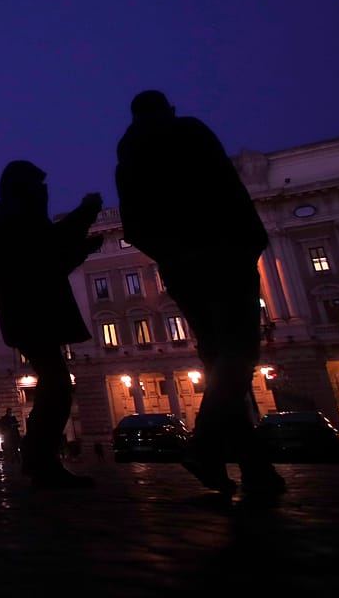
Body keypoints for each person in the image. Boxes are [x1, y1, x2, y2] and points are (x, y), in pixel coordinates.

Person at [115, 90, 285, 497]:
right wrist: (250, 240)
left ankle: (255, 468)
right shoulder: (189, 132)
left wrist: (171, 256)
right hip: (224, 254)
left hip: (182, 270)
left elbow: (134, 227)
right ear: (168, 110)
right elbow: (228, 187)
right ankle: (205, 444)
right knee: (239, 353)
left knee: (221, 361)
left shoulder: (128, 161)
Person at [0, 160, 104, 489]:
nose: (45, 191)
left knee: (55, 384)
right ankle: (40, 458)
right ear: (25, 187)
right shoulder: (15, 214)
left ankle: (39, 457)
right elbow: (47, 252)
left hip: (28, 314)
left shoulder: (10, 213)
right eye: (39, 185)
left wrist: (82, 240)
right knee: (57, 385)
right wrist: (84, 215)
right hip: (31, 313)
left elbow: (47, 252)